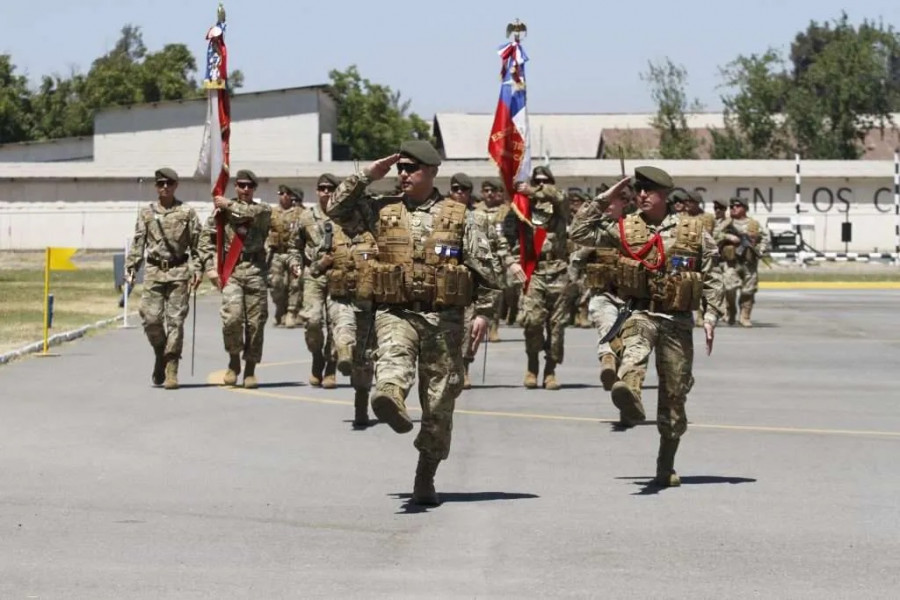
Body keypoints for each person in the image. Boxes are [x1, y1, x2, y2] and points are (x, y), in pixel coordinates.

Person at [326, 140, 500, 506]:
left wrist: (483, 313)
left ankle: (425, 475)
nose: (403, 174)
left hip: (444, 320)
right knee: (392, 356)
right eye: (400, 168)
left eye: (412, 168)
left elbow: (488, 273)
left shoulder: (461, 217)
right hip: (396, 311)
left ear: (432, 171)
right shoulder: (381, 210)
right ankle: (389, 395)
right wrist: (368, 174)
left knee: (439, 403)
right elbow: (336, 209)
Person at [570, 166, 724, 487]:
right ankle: (631, 398)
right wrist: (606, 198)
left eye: (649, 190)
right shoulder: (626, 228)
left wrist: (710, 317)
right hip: (641, 312)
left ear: (665, 195)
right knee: (634, 347)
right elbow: (579, 232)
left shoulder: (692, 230)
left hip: (678, 320)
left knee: (674, 394)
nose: (641, 195)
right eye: (638, 190)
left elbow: (712, 274)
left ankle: (665, 463)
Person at [302, 175, 378, 426]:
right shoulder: (330, 232)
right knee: (342, 329)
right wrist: (325, 261)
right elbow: (315, 266)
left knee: (366, 356)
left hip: (368, 300)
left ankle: (361, 405)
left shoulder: (375, 234)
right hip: (342, 297)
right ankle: (341, 355)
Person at [125, 168, 202, 390]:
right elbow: (139, 242)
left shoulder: (187, 212)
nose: (165, 187)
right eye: (160, 183)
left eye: (169, 183)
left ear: (176, 185)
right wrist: (131, 268)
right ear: (156, 186)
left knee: (176, 322)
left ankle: (171, 368)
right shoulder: (146, 213)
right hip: (154, 272)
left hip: (178, 273)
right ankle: (160, 351)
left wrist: (198, 269)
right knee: (150, 318)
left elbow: (198, 244)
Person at [198, 169, 272, 389]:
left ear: (254, 189)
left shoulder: (263, 209)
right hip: (233, 272)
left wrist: (226, 205)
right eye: (241, 185)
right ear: (236, 187)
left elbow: (249, 215)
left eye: (249, 186)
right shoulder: (221, 212)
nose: (245, 189)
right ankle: (233, 359)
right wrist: (210, 269)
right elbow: (205, 240)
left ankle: (250, 369)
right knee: (232, 318)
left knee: (256, 324)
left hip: (256, 271)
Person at [510, 166, 570, 390]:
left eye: (546, 180)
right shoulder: (524, 207)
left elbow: (560, 196)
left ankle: (550, 371)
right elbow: (510, 235)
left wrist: (534, 190)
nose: (542, 184)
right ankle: (532, 367)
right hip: (534, 272)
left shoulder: (560, 206)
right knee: (532, 322)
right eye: (538, 180)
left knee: (556, 327)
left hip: (558, 271)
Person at [446, 172, 506, 389]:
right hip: (444, 280)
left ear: (470, 193)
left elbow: (493, 248)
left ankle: (464, 367)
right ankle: (450, 368)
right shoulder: (439, 216)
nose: (459, 193)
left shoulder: (480, 218)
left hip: (471, 281)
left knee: (471, 328)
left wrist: (494, 279)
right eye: (455, 189)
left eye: (464, 190)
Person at [568, 187, 629, 392]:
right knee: (606, 324)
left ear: (624, 203)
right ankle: (608, 361)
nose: (609, 206)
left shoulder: (634, 228)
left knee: (629, 342)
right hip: (603, 293)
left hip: (632, 296)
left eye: (614, 201)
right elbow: (575, 256)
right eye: (606, 202)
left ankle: (623, 378)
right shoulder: (596, 230)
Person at [291, 174, 341, 388]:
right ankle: (317, 357)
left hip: (340, 276)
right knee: (312, 321)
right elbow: (295, 246)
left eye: (330, 188)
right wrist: (295, 263)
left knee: (337, 324)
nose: (326, 192)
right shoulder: (306, 217)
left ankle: (330, 367)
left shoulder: (346, 216)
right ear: (317, 191)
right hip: (314, 275)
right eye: (322, 188)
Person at [478, 177, 521, 340]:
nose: (489, 194)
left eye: (493, 191)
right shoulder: (474, 211)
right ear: (482, 193)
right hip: (478, 256)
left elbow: (511, 234)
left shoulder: (506, 212)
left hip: (499, 256)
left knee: (498, 293)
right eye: (486, 190)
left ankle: (494, 327)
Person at [718, 197, 770, 327]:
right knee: (729, 288)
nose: (733, 208)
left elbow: (764, 238)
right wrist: (728, 237)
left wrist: (760, 250)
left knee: (749, 290)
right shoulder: (726, 223)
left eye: (737, 206)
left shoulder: (754, 224)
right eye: (732, 206)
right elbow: (714, 235)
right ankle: (731, 311)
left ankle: (745, 316)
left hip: (749, 263)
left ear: (745, 208)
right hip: (731, 263)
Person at [266, 185, 305, 328]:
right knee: (276, 284)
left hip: (294, 253)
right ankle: (280, 309)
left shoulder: (300, 213)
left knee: (295, 283)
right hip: (277, 253)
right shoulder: (272, 212)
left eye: (287, 193)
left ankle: (291, 312)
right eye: (281, 193)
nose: (284, 196)